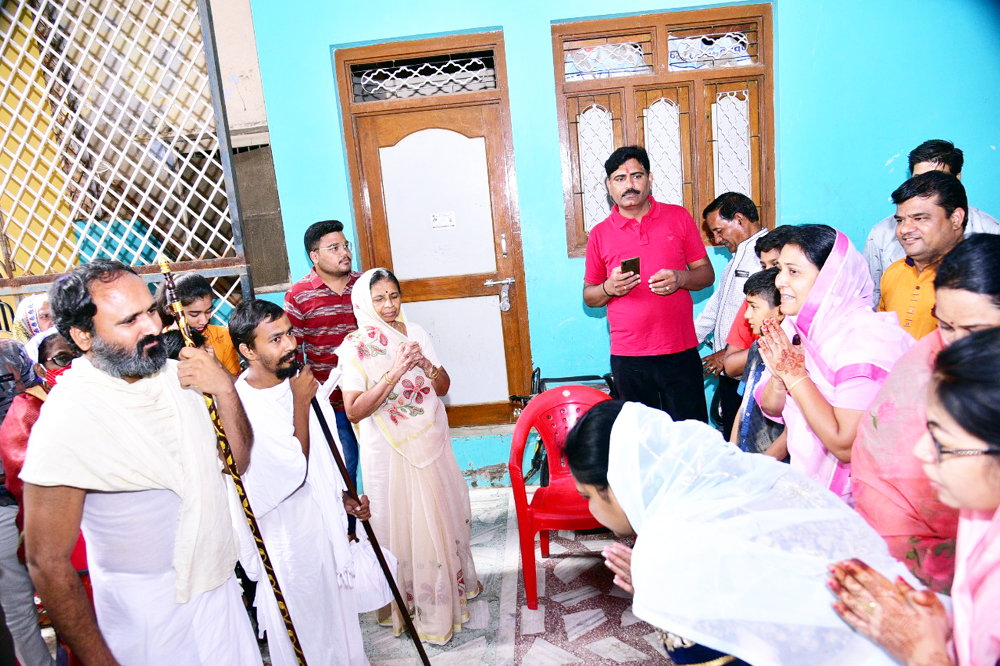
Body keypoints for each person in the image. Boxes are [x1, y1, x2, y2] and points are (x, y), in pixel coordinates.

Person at [20, 260, 261, 665]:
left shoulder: (182, 376)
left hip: (219, 594)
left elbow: (238, 462)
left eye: (150, 310)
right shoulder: (68, 416)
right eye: (130, 320)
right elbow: (45, 561)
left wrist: (224, 389)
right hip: (144, 621)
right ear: (83, 335)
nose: (153, 327)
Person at [564, 399, 919, 666]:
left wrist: (659, 589)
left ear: (617, 486)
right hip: (906, 631)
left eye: (587, 496)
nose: (590, 510)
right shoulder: (748, 479)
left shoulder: (663, 550)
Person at [830, 328, 1000, 666]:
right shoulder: (981, 522)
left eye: (941, 441)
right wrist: (946, 628)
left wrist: (922, 653)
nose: (921, 452)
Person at [338, 268, 480, 645]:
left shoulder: (414, 332)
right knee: (397, 521)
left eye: (394, 296)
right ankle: (405, 604)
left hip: (429, 437)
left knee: (437, 516)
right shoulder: (355, 347)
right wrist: (396, 370)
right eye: (379, 298)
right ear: (364, 303)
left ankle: (444, 598)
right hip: (387, 448)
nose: (389, 305)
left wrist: (424, 365)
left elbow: (443, 385)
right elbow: (353, 410)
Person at [852, 234, 1000, 593]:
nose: (954, 343)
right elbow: (885, 464)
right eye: (946, 326)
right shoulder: (924, 364)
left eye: (975, 331)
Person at [228, 299, 370, 665]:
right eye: (275, 339)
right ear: (247, 350)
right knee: (308, 632)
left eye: (289, 333)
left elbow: (322, 455)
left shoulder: (299, 385)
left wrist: (343, 495)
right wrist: (301, 404)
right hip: (287, 540)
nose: (291, 344)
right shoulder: (243, 407)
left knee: (339, 626)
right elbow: (290, 473)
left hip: (323, 523)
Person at [755, 225, 912, 502]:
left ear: (832, 279)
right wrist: (780, 377)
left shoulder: (867, 340)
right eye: (780, 269)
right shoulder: (796, 329)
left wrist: (794, 376)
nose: (779, 281)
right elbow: (771, 407)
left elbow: (845, 445)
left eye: (793, 271)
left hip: (863, 497)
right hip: (808, 483)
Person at [583, 146, 714, 421]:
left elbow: (706, 274)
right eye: (620, 178)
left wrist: (681, 278)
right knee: (640, 436)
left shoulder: (678, 217)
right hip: (629, 356)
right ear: (609, 186)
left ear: (650, 179)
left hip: (680, 350)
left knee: (690, 433)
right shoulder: (599, 234)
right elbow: (589, 296)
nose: (629, 185)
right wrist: (609, 288)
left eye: (637, 176)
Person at [285, 219, 362, 533]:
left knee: (388, 469)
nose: (345, 253)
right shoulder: (299, 295)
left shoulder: (365, 286)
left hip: (375, 397)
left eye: (346, 245)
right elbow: (292, 352)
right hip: (333, 405)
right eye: (334, 248)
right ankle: (350, 538)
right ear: (314, 256)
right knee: (345, 469)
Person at [0, 330, 69, 666]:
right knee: (18, 609)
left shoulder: (11, 353)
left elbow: (38, 404)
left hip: (45, 497)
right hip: (4, 507)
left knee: (65, 592)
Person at [863, 139, 999, 304]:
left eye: (938, 179)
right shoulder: (882, 233)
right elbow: (872, 298)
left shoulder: (991, 232)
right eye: (918, 179)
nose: (925, 187)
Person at [695, 192, 768, 438]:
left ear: (739, 219)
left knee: (748, 438)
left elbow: (770, 318)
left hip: (750, 370)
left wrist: (728, 353)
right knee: (731, 435)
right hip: (730, 371)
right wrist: (685, 343)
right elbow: (714, 310)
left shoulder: (766, 256)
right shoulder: (735, 260)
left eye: (719, 231)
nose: (717, 239)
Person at [877, 172, 968, 339]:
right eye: (900, 220)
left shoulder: (980, 277)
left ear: (956, 219)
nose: (904, 229)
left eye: (919, 218)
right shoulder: (893, 273)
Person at [728, 268, 786, 459]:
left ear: (780, 311)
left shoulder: (793, 357)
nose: (747, 316)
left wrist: (762, 466)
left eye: (754, 307)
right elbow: (744, 405)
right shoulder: (756, 347)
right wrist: (732, 451)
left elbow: (794, 428)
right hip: (747, 454)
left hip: (773, 463)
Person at [722, 225, 793, 379]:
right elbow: (730, 366)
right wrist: (768, 345)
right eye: (763, 266)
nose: (768, 272)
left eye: (775, 265)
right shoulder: (753, 303)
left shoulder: (802, 304)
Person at [154, 272, 242, 375]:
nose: (204, 321)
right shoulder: (160, 344)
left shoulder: (221, 335)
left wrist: (217, 364)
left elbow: (236, 384)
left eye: (208, 311)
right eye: (194, 315)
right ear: (172, 309)